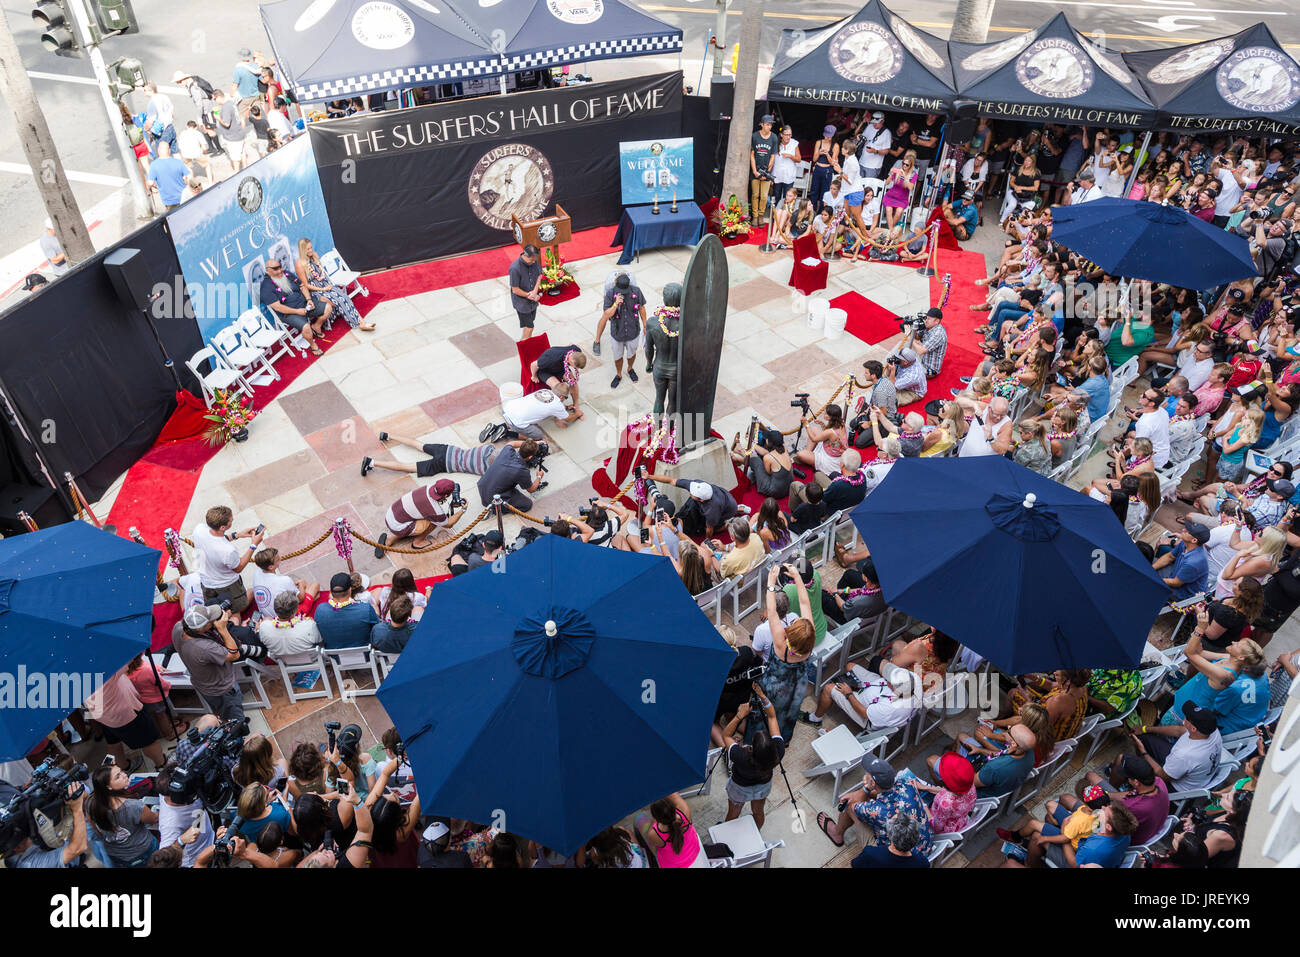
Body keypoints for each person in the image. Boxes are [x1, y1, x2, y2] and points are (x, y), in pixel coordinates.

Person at [175, 605, 258, 721]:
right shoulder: (205, 648)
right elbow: (235, 654)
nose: (215, 621)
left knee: (225, 710)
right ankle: (239, 730)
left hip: (203, 684)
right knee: (234, 719)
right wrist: (223, 629)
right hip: (221, 689)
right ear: (201, 629)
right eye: (211, 620)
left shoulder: (178, 628)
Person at [719, 686, 784, 829]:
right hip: (763, 786)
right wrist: (762, 696)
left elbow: (725, 735)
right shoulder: (778, 750)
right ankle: (756, 832)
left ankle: (727, 840)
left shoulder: (741, 756)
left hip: (739, 787)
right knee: (758, 812)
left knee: (734, 812)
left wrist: (739, 716)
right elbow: (772, 717)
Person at [84, 665, 167, 770]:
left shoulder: (66, 671)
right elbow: (129, 659)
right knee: (149, 742)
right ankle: (162, 765)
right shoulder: (103, 666)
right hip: (124, 713)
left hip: (99, 713)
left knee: (113, 741)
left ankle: (124, 766)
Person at [1132, 702, 1224, 792]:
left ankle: (1136, 779)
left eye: (1187, 717)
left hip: (1177, 786)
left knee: (1134, 760)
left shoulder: (1185, 755)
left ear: (1193, 728)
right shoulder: (1212, 730)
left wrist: (1144, 752)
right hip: (1193, 771)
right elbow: (1178, 731)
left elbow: (1162, 776)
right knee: (1143, 737)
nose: (1184, 718)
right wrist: (1146, 729)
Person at [86, 764, 159, 867]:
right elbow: (153, 819)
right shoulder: (133, 806)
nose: (124, 775)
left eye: (121, 771)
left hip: (115, 855)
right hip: (142, 852)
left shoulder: (90, 802)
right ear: (108, 787)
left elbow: (96, 828)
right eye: (118, 776)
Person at [260, 257, 332, 356]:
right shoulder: (266, 287)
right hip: (288, 313)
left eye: (280, 267)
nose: (280, 270)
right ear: (268, 270)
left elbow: (302, 286)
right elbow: (278, 307)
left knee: (328, 307)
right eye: (276, 269)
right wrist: (297, 311)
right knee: (306, 327)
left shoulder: (287, 274)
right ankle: (313, 345)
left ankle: (316, 326)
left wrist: (309, 300)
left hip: (304, 303)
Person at [296, 238, 371, 331]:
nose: (311, 250)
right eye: (307, 249)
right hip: (316, 291)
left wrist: (330, 286)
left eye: (311, 247)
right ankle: (359, 323)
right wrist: (323, 290)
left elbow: (322, 274)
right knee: (339, 300)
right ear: (302, 250)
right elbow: (306, 285)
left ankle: (361, 321)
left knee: (344, 296)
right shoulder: (300, 264)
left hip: (326, 284)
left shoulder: (314, 256)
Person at [376, 477, 464, 553]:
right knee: (434, 522)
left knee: (423, 515)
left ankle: (390, 540)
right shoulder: (435, 510)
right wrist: (463, 510)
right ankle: (418, 542)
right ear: (446, 495)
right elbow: (448, 524)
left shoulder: (427, 487)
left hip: (390, 515)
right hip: (398, 526)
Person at [595, 273, 646, 387]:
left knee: (631, 354)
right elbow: (607, 314)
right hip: (617, 333)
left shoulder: (636, 291)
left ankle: (630, 369)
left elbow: (642, 308)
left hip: (633, 331)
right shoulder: (610, 293)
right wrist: (615, 304)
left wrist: (645, 324)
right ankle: (618, 374)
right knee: (618, 356)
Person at [635, 793, 706, 868]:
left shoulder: (653, 834)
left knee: (639, 818)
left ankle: (644, 851)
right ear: (672, 806)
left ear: (656, 818)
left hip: (673, 865)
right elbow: (674, 794)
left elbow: (652, 835)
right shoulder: (684, 809)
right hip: (693, 853)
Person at [315, 572, 380, 650]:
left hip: (336, 658)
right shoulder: (365, 609)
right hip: (366, 655)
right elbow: (377, 629)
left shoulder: (321, 610)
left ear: (331, 592)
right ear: (350, 590)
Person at [477, 437, 546, 511]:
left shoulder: (508, 450)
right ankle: (495, 509)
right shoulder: (522, 470)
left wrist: (535, 443)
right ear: (530, 457)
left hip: (482, 487)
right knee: (527, 504)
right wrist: (539, 476)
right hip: (493, 499)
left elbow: (512, 443)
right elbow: (531, 489)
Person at [646, 283, 682, 417]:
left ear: (665, 300)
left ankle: (658, 429)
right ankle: (668, 430)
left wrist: (649, 364)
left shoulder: (652, 323)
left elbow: (649, 348)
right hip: (676, 369)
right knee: (673, 402)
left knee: (659, 399)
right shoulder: (685, 323)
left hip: (659, 366)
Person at [1152, 522, 1210, 601]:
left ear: (1194, 540)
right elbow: (1169, 557)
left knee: (1149, 583)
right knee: (1148, 563)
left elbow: (1176, 583)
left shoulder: (1194, 562)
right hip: (1174, 574)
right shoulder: (1185, 543)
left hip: (1181, 593)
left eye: (1188, 532)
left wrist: (1152, 577)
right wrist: (1151, 569)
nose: (1183, 530)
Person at [258, 589, 324, 658]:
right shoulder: (309, 625)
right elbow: (320, 639)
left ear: (275, 610)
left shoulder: (264, 627)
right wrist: (306, 622)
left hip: (285, 663)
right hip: (311, 660)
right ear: (294, 612)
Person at [851, 811, 929, 869]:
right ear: (916, 839)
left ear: (889, 836)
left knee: (860, 824)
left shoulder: (870, 853)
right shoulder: (923, 863)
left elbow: (854, 864)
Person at [509, 244, 543, 339]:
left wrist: (535, 291)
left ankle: (524, 343)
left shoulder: (534, 262)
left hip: (532, 301)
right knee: (529, 327)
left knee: (529, 324)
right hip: (522, 303)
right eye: (531, 260)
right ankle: (525, 349)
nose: (533, 262)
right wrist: (529, 295)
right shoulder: (515, 268)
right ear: (525, 255)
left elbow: (539, 275)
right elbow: (515, 290)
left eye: (534, 260)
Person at [750, 114, 777, 226]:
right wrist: (755, 171)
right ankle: (755, 216)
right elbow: (752, 154)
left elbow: (773, 156)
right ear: (762, 124)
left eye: (770, 124)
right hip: (755, 171)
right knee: (755, 194)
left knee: (764, 196)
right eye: (767, 124)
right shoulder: (755, 136)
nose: (769, 126)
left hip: (766, 172)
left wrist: (768, 171)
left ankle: (761, 215)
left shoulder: (774, 137)